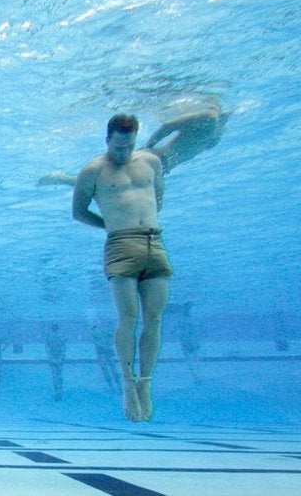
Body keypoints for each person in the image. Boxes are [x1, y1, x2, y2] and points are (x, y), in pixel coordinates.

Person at [72, 113, 172, 422]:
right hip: (120, 245)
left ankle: (145, 383)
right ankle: (128, 385)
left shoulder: (151, 163)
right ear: (107, 141)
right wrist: (112, 226)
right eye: (117, 146)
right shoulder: (92, 171)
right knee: (129, 316)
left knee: (154, 318)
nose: (123, 152)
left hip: (154, 242)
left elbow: (157, 198)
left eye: (128, 145)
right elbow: (78, 212)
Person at [37, 104, 230, 185]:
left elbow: (197, 144)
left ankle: (64, 179)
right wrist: (147, 148)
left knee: (107, 181)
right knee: (105, 180)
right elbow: (168, 125)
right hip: (155, 158)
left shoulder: (217, 127)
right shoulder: (209, 117)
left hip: (163, 166)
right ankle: (62, 178)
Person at [90, 323, 121, 393]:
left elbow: (95, 342)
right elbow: (112, 338)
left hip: (101, 352)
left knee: (106, 369)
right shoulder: (106, 331)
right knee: (113, 368)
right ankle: (119, 386)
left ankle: (112, 387)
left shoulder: (94, 334)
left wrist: (101, 345)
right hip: (108, 352)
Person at [44, 323, 66, 402]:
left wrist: (51, 357)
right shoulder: (62, 337)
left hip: (53, 358)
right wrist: (61, 357)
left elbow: (47, 348)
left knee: (55, 375)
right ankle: (59, 390)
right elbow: (64, 347)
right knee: (59, 374)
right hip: (59, 358)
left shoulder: (49, 337)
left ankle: (57, 391)